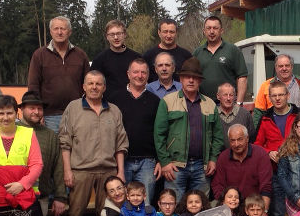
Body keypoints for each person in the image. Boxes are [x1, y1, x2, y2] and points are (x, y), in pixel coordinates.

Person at [60, 71, 129, 216]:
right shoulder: (73, 108)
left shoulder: (113, 110)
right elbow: (65, 142)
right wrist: (67, 170)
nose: (94, 87)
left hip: (108, 171)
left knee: (106, 214)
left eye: (98, 84)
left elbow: (120, 144)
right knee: (74, 214)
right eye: (90, 83)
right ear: (84, 87)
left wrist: (120, 172)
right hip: (80, 170)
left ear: (104, 88)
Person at [154, 57, 224, 202]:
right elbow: (159, 134)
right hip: (175, 166)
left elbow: (218, 136)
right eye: (187, 77)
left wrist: (213, 159)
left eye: (195, 78)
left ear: (200, 81)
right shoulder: (167, 101)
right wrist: (165, 162)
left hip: (202, 166)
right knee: (172, 206)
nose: (191, 80)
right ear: (181, 79)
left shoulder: (210, 104)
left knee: (200, 209)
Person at [109, 58, 161, 204]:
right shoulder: (115, 99)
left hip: (147, 162)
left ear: (148, 75)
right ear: (128, 74)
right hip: (122, 160)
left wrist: (159, 160)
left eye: (143, 72)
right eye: (136, 72)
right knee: (121, 204)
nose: (139, 76)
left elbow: (160, 132)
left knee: (146, 202)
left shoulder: (155, 101)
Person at [28, 16, 91, 134]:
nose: (59, 32)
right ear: (51, 31)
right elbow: (33, 86)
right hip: (49, 116)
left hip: (77, 114)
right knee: (52, 151)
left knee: (76, 151)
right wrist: (38, 112)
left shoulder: (80, 55)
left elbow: (88, 85)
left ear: (70, 32)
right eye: (56, 28)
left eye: (63, 29)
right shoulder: (39, 55)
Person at [255, 81, 298, 216]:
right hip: (275, 172)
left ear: (288, 95)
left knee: (297, 215)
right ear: (270, 98)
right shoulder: (265, 118)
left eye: (281, 95)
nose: (278, 98)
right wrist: (268, 153)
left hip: (297, 172)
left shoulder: (299, 115)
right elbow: (257, 145)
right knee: (278, 214)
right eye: (274, 96)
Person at [17, 91, 67, 216]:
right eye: (32, 108)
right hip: (14, 196)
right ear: (22, 108)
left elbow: (58, 167)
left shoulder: (50, 135)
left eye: (39, 108)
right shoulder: (12, 130)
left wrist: (60, 197)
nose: (36, 112)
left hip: (41, 198)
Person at [252, 54, 300, 134]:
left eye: (287, 66)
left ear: (292, 67)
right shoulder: (266, 86)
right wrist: (256, 136)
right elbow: (258, 114)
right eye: (281, 66)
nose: (284, 68)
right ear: (276, 68)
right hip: (274, 132)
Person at [211, 124, 272, 205]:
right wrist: (226, 206)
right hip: (231, 204)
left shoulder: (260, 154)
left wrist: (264, 211)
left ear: (247, 139)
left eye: (240, 139)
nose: (236, 144)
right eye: (232, 140)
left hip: (254, 205)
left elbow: (266, 187)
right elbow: (217, 185)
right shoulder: (223, 157)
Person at [194, 15, 248, 100]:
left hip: (228, 104)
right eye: (208, 28)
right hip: (204, 105)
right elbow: (193, 79)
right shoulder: (197, 53)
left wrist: (239, 103)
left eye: (215, 28)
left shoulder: (233, 50)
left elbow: (242, 78)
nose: (211, 31)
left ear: (221, 31)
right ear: (204, 31)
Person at [91, 19, 142, 102]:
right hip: (108, 106)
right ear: (107, 37)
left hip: (133, 102)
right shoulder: (99, 60)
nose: (116, 37)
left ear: (124, 34)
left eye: (119, 34)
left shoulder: (136, 58)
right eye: (112, 34)